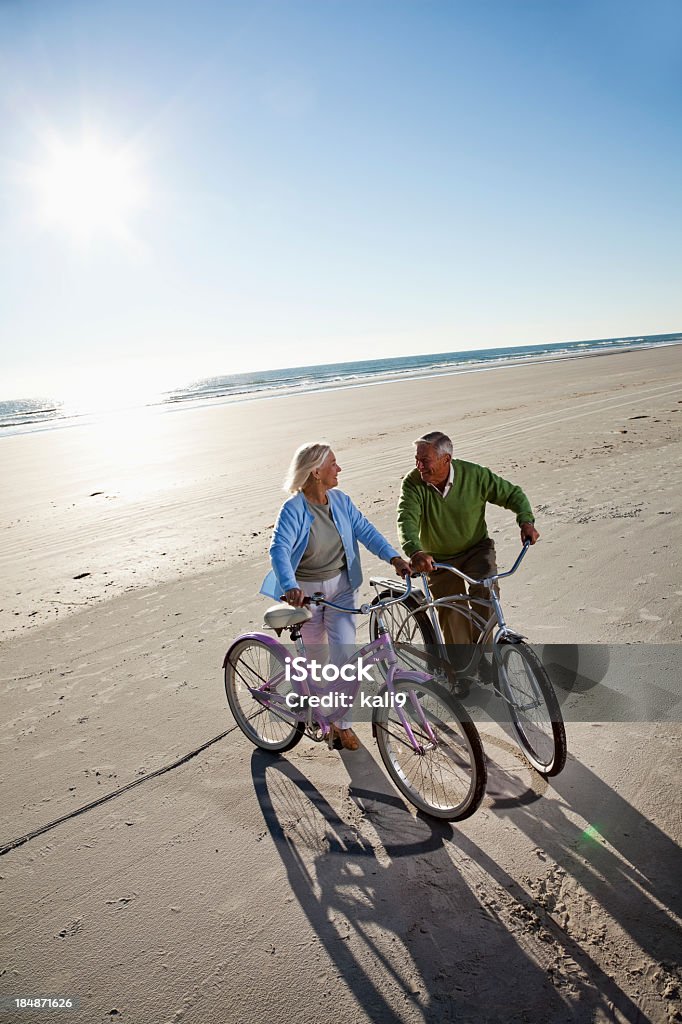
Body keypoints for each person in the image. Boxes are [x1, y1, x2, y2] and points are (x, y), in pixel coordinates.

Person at [261, 442, 411, 751]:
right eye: (333, 464)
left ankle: (342, 726)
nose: (339, 469)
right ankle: (317, 712)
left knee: (345, 656)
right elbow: (279, 548)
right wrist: (289, 584)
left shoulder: (340, 501)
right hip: (306, 594)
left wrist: (393, 558)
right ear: (316, 472)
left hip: (342, 589)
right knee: (318, 662)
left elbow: (366, 531)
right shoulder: (293, 509)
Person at [397, 431, 539, 691]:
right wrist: (415, 551)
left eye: (424, 459)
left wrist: (526, 521)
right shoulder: (413, 483)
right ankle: (462, 672)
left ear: (446, 459)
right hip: (438, 560)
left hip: (476, 549)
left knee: (486, 594)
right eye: (417, 459)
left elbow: (512, 494)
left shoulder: (475, 475)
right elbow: (406, 519)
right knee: (451, 611)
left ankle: (485, 659)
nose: (419, 465)